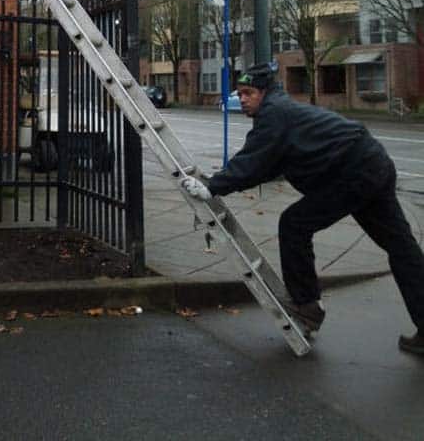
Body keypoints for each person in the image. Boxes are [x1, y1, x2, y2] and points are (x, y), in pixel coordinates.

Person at [182, 61, 424, 355]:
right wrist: (221, 182)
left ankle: (308, 306)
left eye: (248, 93)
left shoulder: (274, 115)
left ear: (263, 92)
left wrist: (212, 187)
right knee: (401, 247)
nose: (242, 99)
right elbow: (265, 165)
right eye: (239, 93)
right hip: (371, 163)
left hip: (354, 172)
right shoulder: (280, 111)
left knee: (294, 224)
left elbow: (253, 161)